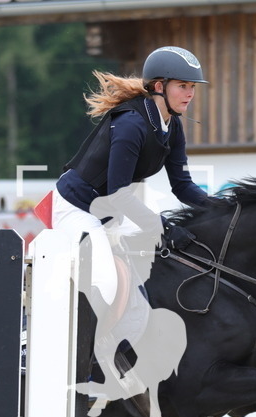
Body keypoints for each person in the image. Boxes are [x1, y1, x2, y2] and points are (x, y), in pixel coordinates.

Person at [51, 45, 213, 305]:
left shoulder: (173, 126)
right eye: (183, 86)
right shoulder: (131, 123)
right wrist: (164, 227)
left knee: (164, 261)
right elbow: (118, 194)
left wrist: (222, 208)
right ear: (159, 87)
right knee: (105, 282)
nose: (190, 94)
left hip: (113, 208)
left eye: (193, 87)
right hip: (78, 206)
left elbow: (182, 186)